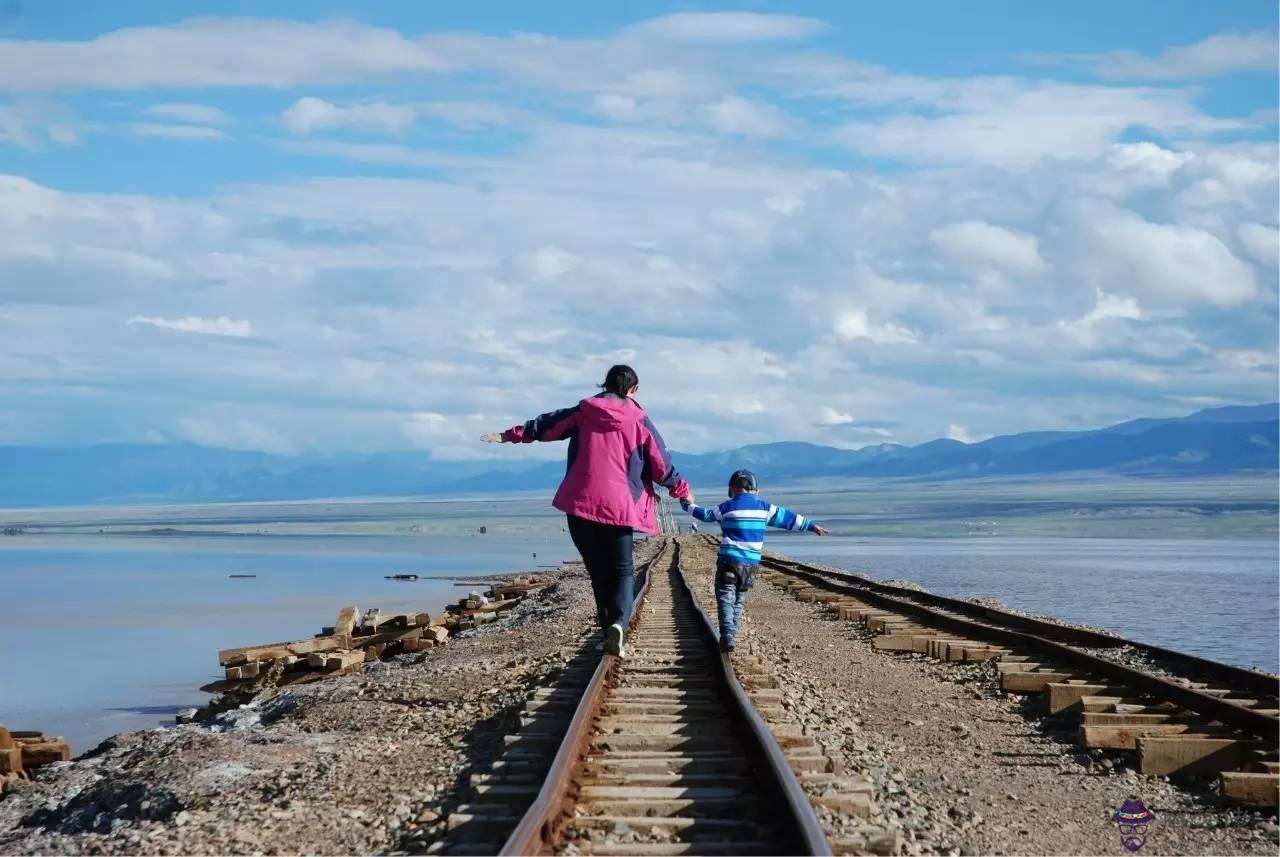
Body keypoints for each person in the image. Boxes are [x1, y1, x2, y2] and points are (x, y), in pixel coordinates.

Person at [481, 365, 690, 658]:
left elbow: (546, 426)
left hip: (580, 504)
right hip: (618, 508)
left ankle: (609, 631)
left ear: (604, 384)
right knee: (622, 570)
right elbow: (661, 465)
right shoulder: (640, 421)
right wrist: (681, 490)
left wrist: (508, 435)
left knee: (598, 572)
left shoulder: (584, 411)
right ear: (633, 389)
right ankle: (619, 625)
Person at [681, 469, 828, 652]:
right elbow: (789, 519)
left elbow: (706, 515)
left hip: (729, 561)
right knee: (739, 600)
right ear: (754, 489)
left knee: (726, 598)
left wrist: (686, 504)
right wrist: (811, 526)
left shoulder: (726, 507)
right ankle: (732, 634)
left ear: (732, 489)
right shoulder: (765, 508)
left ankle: (727, 634)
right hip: (751, 565)